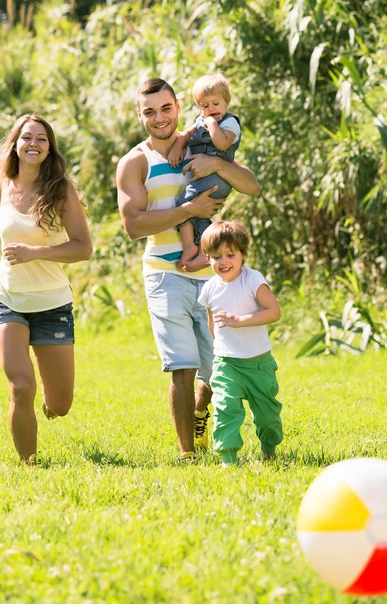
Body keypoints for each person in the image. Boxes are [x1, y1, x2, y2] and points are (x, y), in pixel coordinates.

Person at [116, 78, 260, 461]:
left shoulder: (202, 142)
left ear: (178, 107)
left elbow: (252, 186)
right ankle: (188, 453)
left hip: (214, 275)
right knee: (182, 365)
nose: (159, 118)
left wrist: (214, 163)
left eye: (165, 108)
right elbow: (133, 226)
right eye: (149, 111)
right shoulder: (135, 161)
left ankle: (201, 410)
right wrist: (188, 212)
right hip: (165, 274)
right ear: (140, 115)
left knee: (217, 369)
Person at [0, 114, 93, 465]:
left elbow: (83, 248)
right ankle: (30, 467)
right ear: (15, 144)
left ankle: (50, 404)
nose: (33, 144)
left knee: (60, 404)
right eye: (27, 137)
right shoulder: (2, 183)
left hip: (52, 304)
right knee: (21, 385)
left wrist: (35, 253)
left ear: (49, 148)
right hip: (6, 300)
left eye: (41, 139)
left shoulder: (61, 190)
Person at [197, 220, 283, 466]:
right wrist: (221, 349)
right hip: (227, 364)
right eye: (215, 257)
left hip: (259, 364)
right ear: (207, 258)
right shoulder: (209, 289)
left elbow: (273, 311)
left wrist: (240, 320)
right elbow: (212, 324)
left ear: (242, 254)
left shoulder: (252, 279)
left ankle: (269, 448)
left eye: (230, 255)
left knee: (268, 418)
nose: (223, 262)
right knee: (225, 408)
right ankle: (228, 458)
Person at [168, 73, 242, 272]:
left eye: (215, 103)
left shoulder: (229, 122)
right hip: (205, 177)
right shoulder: (202, 119)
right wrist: (177, 148)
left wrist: (211, 124)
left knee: (183, 204)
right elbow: (186, 134)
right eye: (205, 105)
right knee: (197, 213)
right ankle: (199, 251)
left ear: (226, 101)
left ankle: (194, 247)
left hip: (218, 178)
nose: (211, 110)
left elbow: (222, 143)